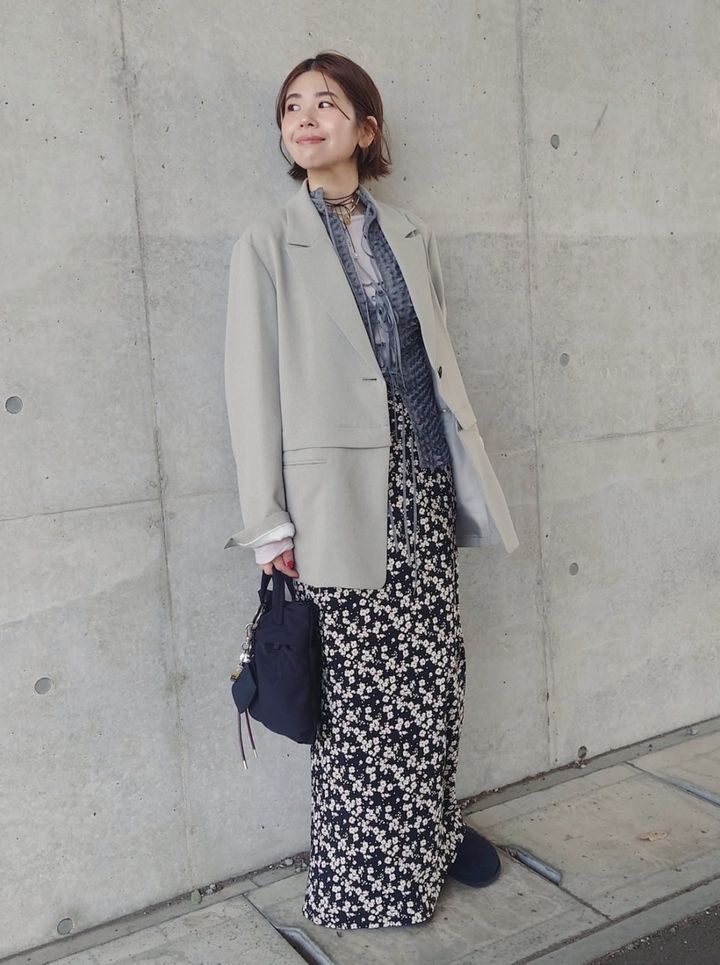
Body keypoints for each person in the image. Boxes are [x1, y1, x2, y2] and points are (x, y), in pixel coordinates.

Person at [223, 51, 520, 930]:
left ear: (366, 126)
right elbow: (250, 391)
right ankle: (369, 880)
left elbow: (434, 362)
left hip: (423, 484)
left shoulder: (410, 233)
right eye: (291, 106)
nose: (305, 117)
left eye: (326, 102)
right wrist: (269, 522)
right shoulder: (267, 244)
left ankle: (430, 832)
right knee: (360, 697)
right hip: (334, 505)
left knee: (432, 678)